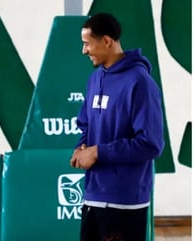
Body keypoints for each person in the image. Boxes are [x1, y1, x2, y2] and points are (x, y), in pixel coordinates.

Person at [70, 13, 164, 241]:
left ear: (106, 41)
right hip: (92, 197)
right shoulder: (94, 79)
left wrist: (98, 152)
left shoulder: (140, 82)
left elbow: (151, 144)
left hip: (125, 204)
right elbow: (86, 125)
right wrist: (81, 147)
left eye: (87, 44)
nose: (84, 51)